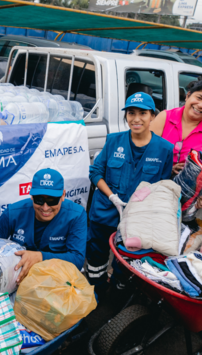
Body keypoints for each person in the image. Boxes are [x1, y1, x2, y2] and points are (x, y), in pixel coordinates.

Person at [86, 92, 173, 295]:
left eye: (143, 113)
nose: (136, 118)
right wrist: (111, 196)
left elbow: (162, 187)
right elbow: (95, 172)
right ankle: (96, 290)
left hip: (136, 219)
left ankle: (118, 291)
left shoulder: (164, 150)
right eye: (131, 113)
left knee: (126, 259)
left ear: (152, 116)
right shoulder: (113, 141)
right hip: (104, 212)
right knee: (96, 255)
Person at [0, 168, 86, 282]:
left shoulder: (76, 215)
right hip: (18, 279)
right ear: (31, 196)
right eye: (39, 200)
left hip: (58, 278)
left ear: (63, 195)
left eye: (52, 200)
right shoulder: (13, 212)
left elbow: (77, 259)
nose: (45, 207)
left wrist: (40, 257)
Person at [150, 75, 202, 209]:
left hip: (185, 197)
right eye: (199, 97)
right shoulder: (164, 117)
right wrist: (168, 168)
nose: (201, 105)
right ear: (188, 96)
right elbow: (146, 155)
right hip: (153, 187)